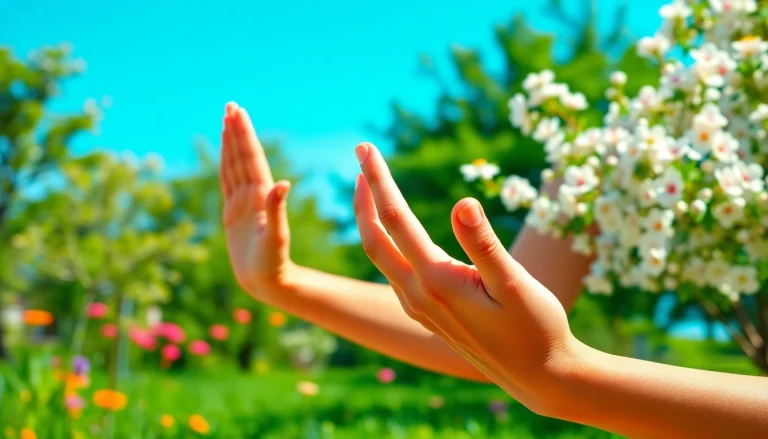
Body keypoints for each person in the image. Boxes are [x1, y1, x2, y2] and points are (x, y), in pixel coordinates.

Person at [219, 102, 768, 437]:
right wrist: (283, 282)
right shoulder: (632, 150)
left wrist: (569, 376)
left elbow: (537, 359)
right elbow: (494, 333)